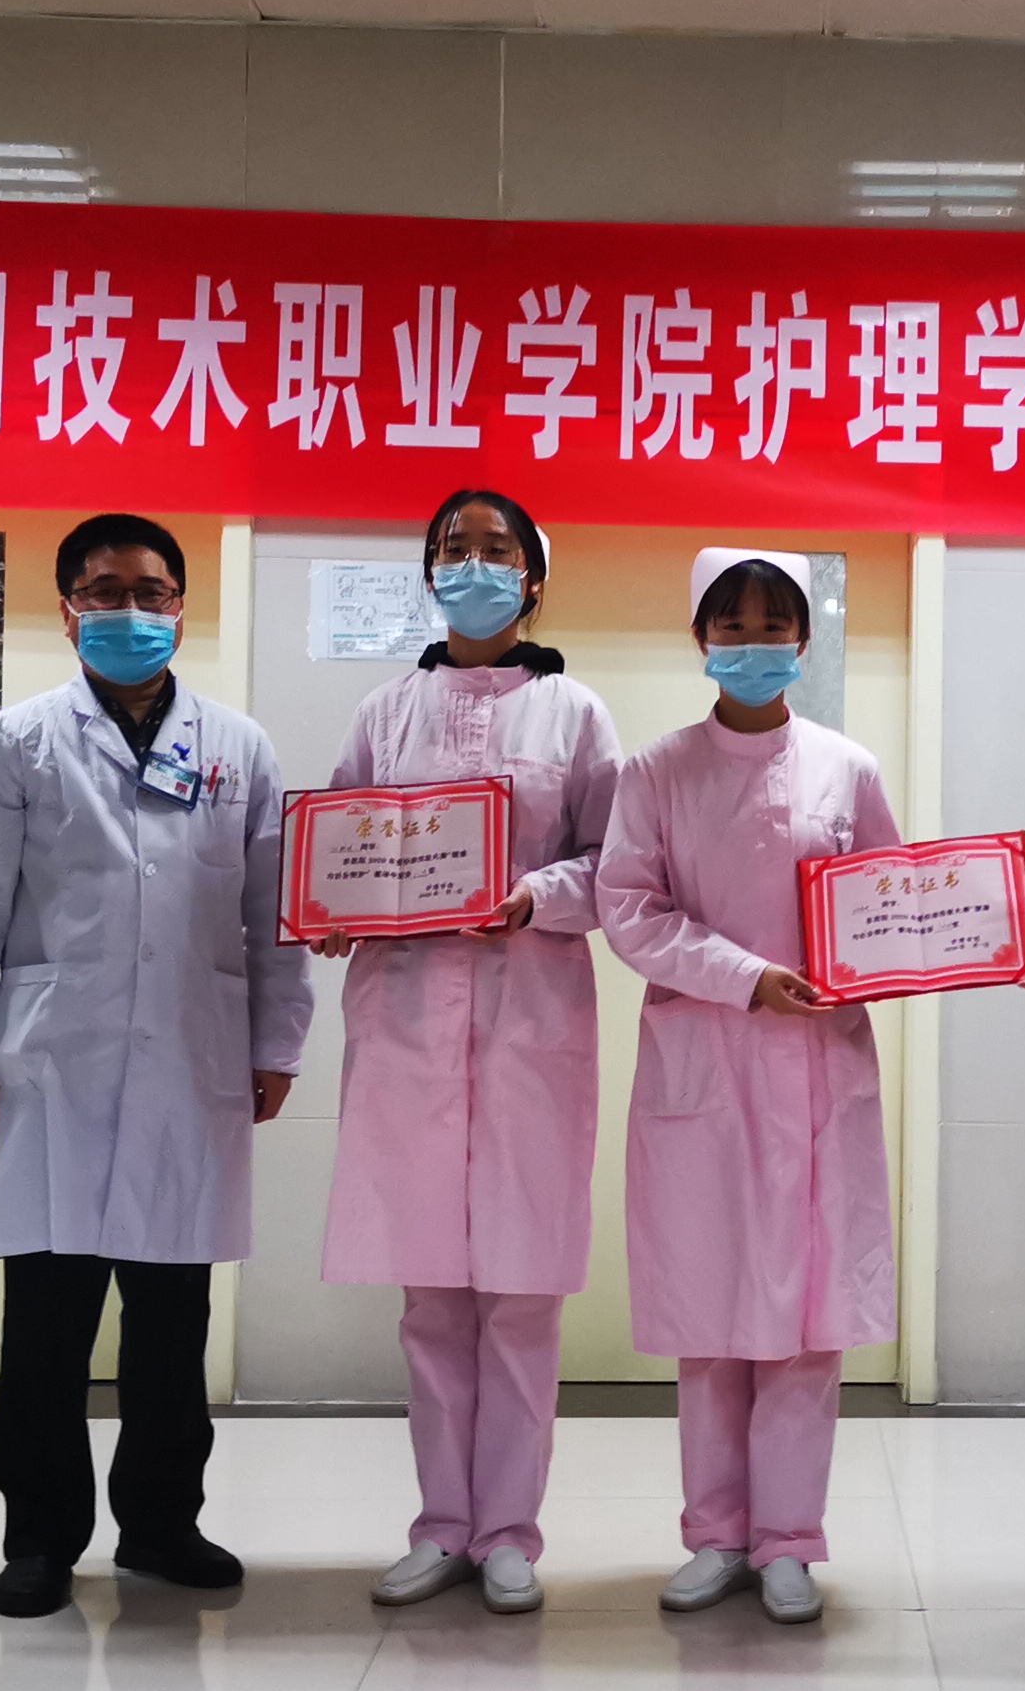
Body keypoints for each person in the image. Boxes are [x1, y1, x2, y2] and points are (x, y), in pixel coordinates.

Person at [0, 512, 311, 1620]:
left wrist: (277, 1041)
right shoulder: (13, 743)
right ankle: (41, 1538)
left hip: (193, 1060)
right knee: (46, 1324)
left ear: (182, 609)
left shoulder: (237, 747)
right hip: (56, 1062)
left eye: (151, 592)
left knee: (172, 1320)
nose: (130, 611)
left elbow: (273, 914)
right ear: (68, 611)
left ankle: (161, 1523)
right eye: (105, 592)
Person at [312, 489, 619, 1617]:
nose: (474, 566)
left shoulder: (576, 714)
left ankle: (510, 1533)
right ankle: (443, 1523)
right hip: (407, 1030)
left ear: (533, 577)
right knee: (432, 1298)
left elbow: (615, 865)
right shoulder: (385, 712)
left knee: (522, 1295)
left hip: (532, 1029)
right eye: (455, 548)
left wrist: (535, 896)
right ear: (430, 572)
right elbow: (337, 842)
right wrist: (327, 907)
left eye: (497, 550)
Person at [595, 547, 899, 1626]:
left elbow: (886, 905)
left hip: (816, 1068)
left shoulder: (848, 770)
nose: (755, 644)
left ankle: (789, 1542)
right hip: (706, 1068)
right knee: (712, 1317)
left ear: (802, 642)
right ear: (700, 639)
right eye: (733, 626)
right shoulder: (656, 772)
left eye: (775, 626)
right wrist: (744, 978)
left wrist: (904, 951)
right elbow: (630, 908)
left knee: (807, 1325)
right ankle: (717, 1535)